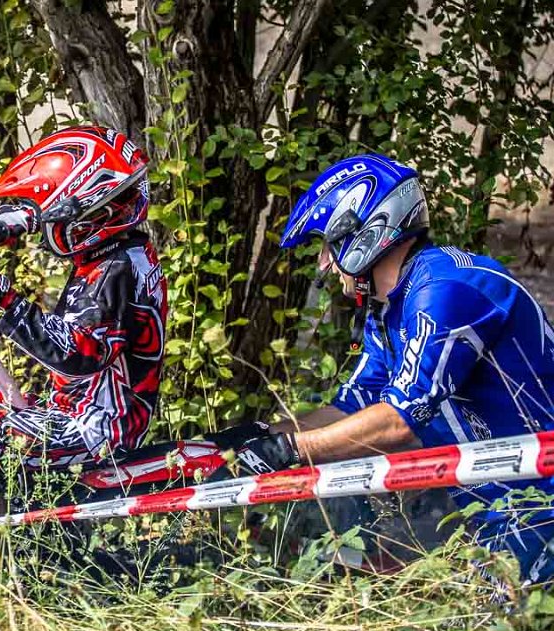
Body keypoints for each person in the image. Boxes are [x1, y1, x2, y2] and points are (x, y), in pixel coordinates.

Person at [233, 153, 554, 586]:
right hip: (493, 505)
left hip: (538, 500)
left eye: (328, 245)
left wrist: (289, 450)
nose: (324, 264)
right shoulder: (389, 310)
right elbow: (353, 407)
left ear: (363, 233)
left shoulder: (445, 289)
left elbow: (398, 422)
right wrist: (255, 438)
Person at [0, 126, 168, 498]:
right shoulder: (120, 252)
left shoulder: (116, 272)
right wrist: (12, 220)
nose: (49, 227)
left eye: (56, 219)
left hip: (93, 428)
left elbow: (75, 353)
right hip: (79, 411)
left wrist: (5, 300)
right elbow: (48, 205)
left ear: (90, 216)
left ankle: (28, 533)